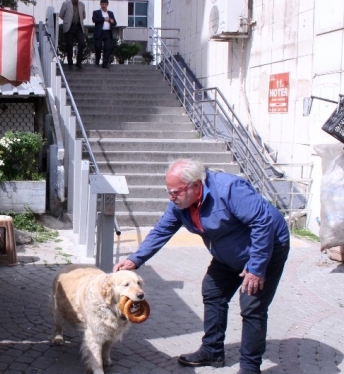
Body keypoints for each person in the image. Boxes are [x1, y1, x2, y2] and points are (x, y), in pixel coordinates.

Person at [113, 159, 290, 374]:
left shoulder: (229, 189)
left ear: (196, 186)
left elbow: (263, 223)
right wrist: (135, 259)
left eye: (176, 192)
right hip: (227, 251)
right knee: (213, 291)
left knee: (252, 306)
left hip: (266, 247)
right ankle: (212, 351)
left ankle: (250, 367)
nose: (171, 197)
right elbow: (162, 230)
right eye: (169, 192)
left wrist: (256, 267)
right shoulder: (180, 205)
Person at [58, 0, 86, 69]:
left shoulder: (82, 5)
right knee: (69, 44)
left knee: (82, 43)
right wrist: (67, 20)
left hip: (79, 26)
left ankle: (79, 62)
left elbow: (84, 15)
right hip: (70, 27)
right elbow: (61, 15)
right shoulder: (66, 4)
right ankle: (70, 62)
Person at [91, 0, 116, 69]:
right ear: (100, 4)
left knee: (107, 48)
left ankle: (105, 64)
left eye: (105, 4)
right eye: (102, 4)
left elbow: (115, 23)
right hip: (99, 32)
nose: (104, 6)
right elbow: (94, 19)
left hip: (108, 32)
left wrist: (112, 21)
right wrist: (104, 19)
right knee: (98, 47)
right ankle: (97, 59)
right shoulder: (96, 12)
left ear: (107, 5)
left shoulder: (110, 13)